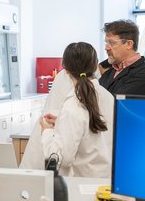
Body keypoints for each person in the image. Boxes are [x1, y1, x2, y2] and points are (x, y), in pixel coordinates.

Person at [40, 42, 113, 178]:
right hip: (107, 182)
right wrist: (62, 123)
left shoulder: (73, 104)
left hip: (81, 186)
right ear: (96, 64)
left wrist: (46, 131)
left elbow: (61, 159)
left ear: (65, 69)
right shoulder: (108, 97)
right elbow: (95, 132)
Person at [99, 20, 145, 95]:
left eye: (112, 43)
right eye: (106, 42)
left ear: (129, 44)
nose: (106, 48)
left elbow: (116, 103)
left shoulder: (144, 74)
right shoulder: (109, 73)